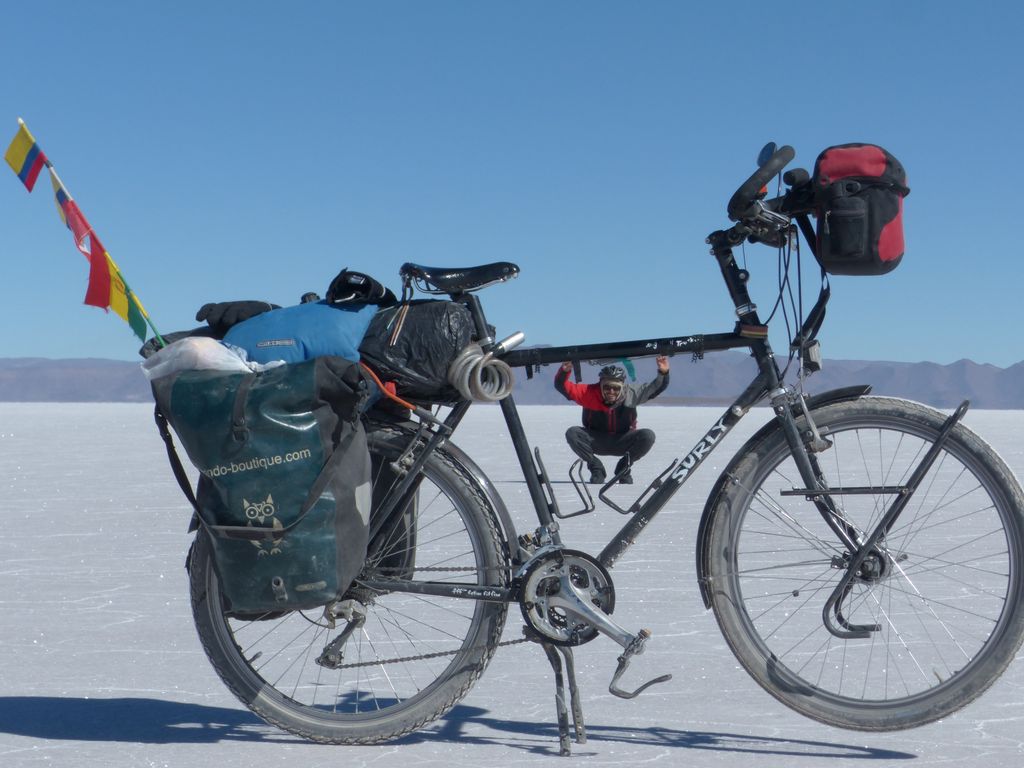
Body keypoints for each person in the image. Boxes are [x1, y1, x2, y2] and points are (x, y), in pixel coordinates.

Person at [554, 356, 670, 484]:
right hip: (596, 440)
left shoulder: (631, 393)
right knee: (572, 433)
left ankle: (623, 468)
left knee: (648, 435)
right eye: (607, 387)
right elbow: (562, 386)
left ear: (622, 386)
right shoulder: (589, 393)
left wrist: (663, 372)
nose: (611, 391)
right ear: (600, 385)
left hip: (623, 440)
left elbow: (655, 388)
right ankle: (596, 468)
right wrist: (565, 371)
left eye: (616, 388)